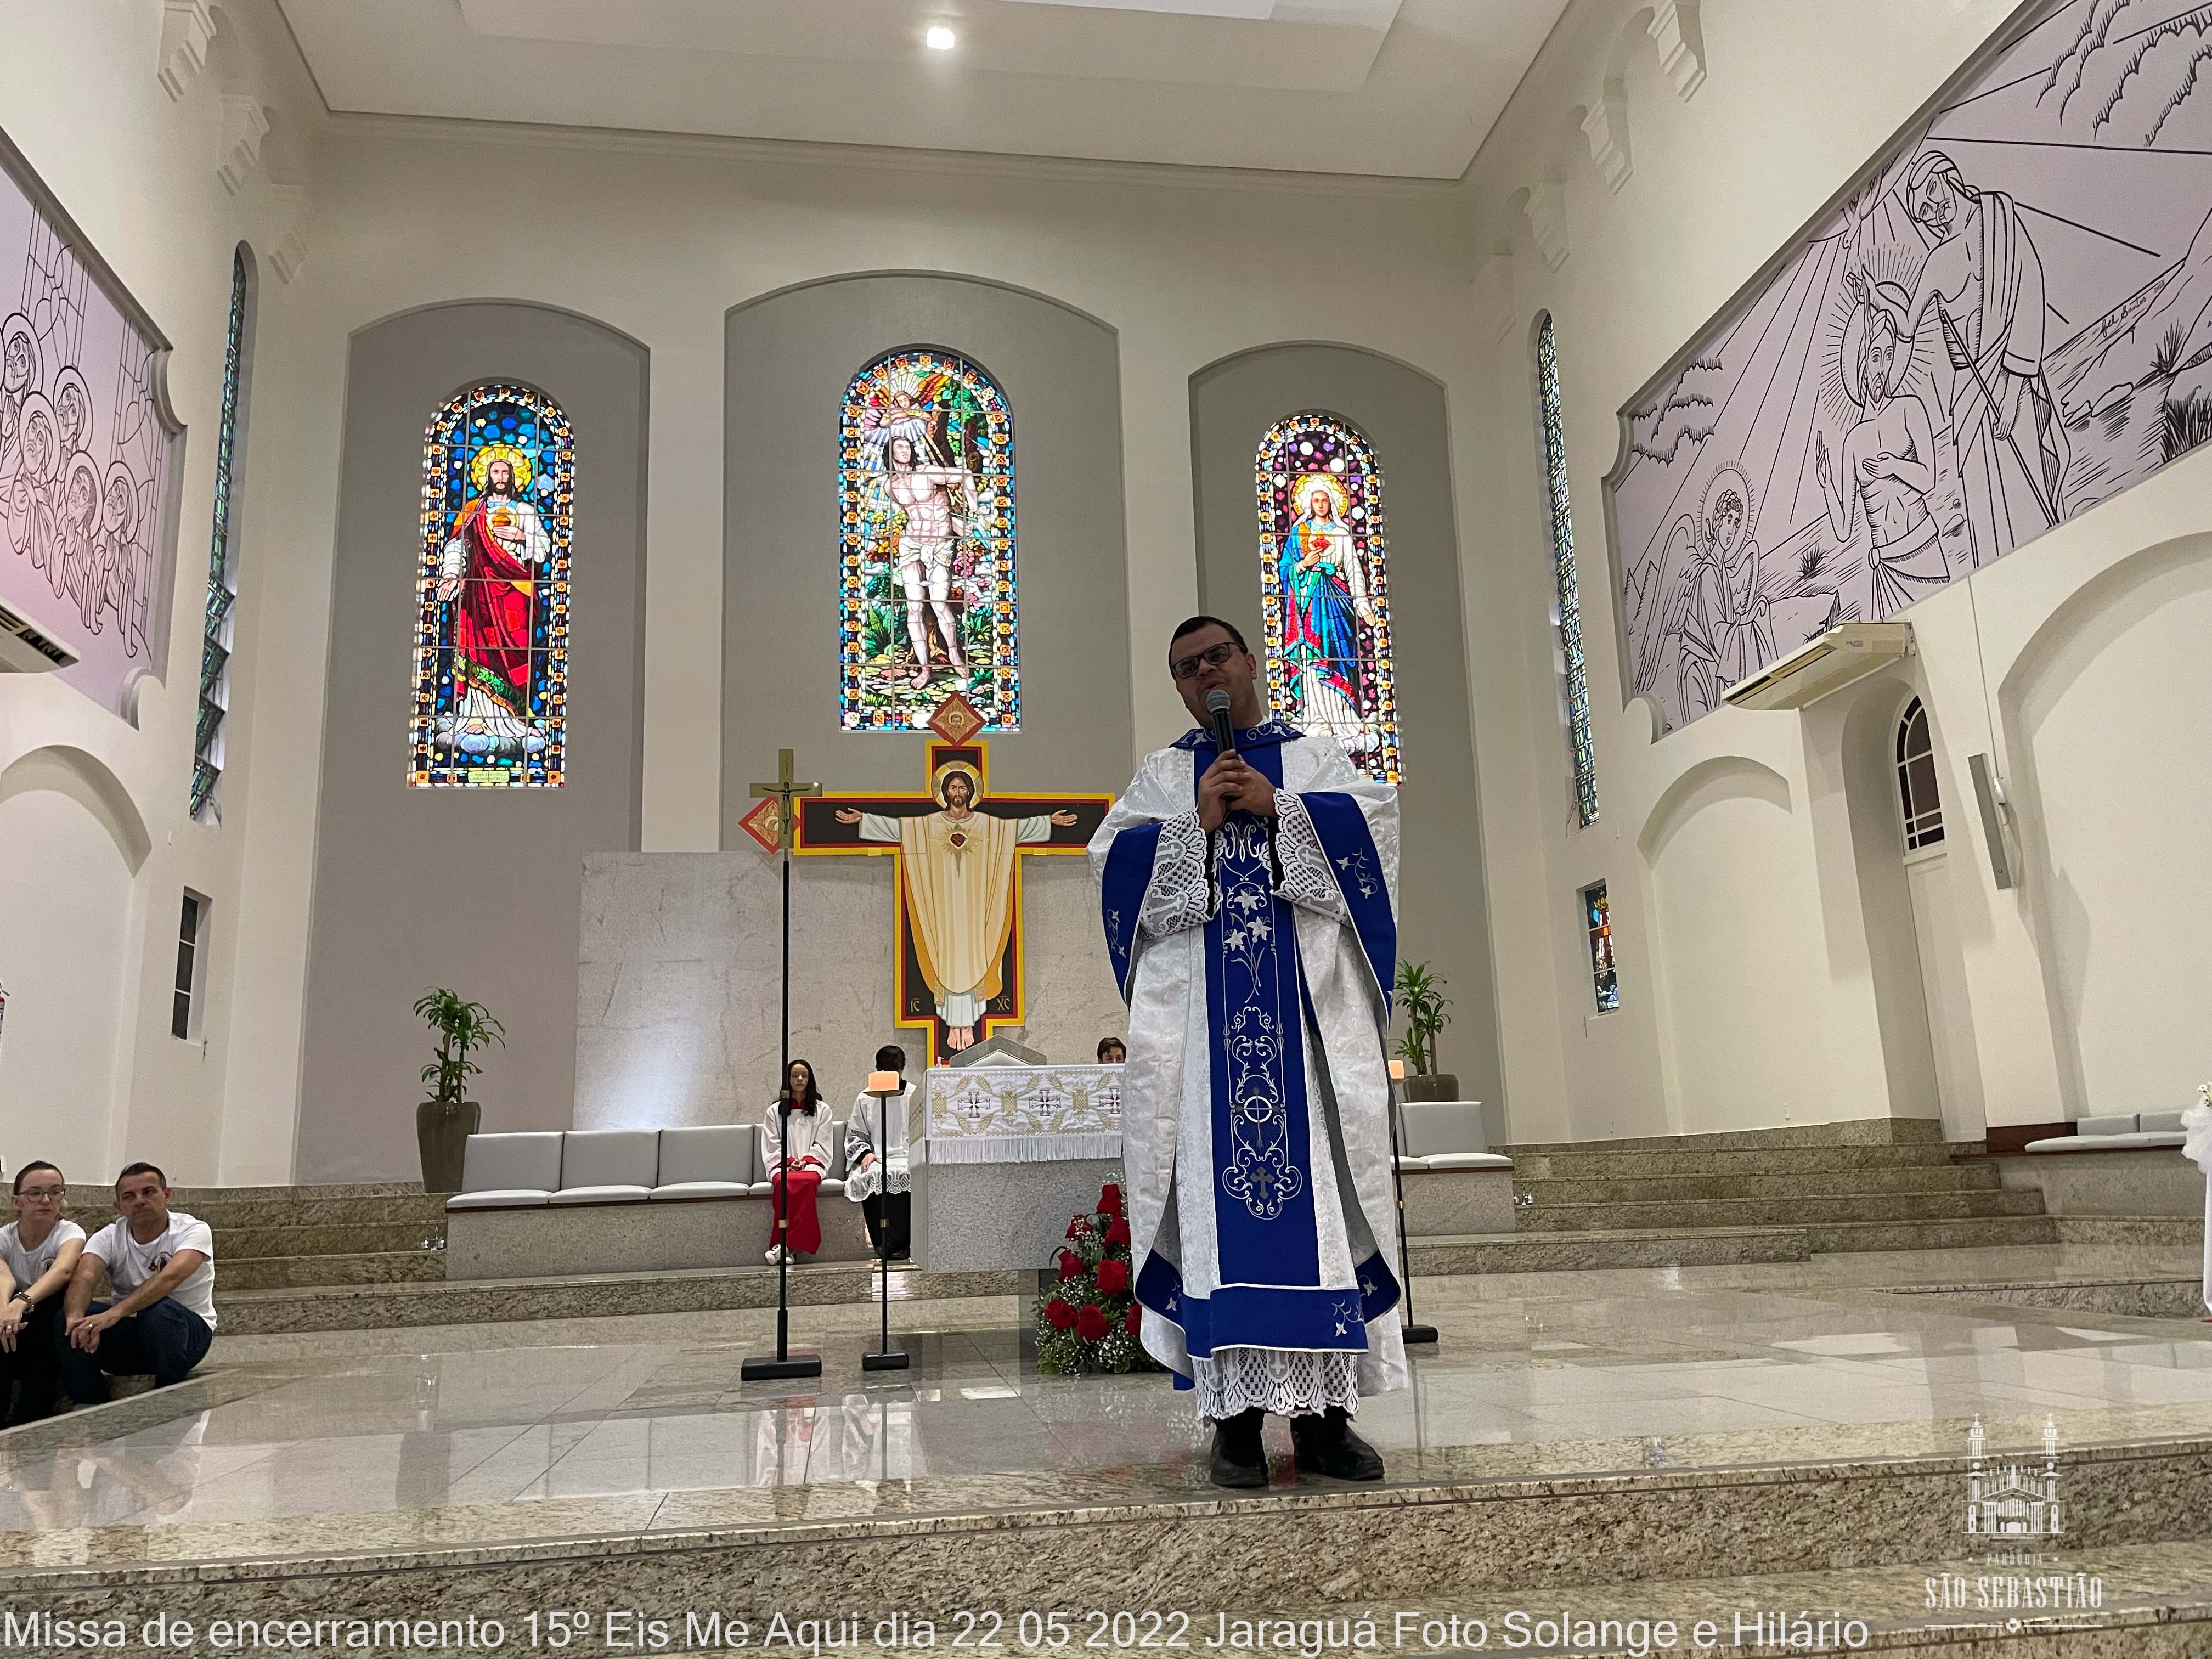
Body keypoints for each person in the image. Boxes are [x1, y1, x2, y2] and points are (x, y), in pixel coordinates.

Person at [1091, 615, 1404, 1489]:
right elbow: (1113, 872)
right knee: (1212, 1226)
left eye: (1217, 657)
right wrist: (1192, 825)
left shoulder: (1312, 761)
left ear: (1250, 663)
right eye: (1187, 667)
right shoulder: (1164, 777)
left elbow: (1375, 838)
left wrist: (1282, 810)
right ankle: (1234, 1426)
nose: (1206, 674)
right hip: (1207, 1057)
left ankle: (1324, 1424)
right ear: (1180, 686)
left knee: (1324, 1220)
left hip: (1301, 1042)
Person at [1858, 153, 2068, 571]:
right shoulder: (1938, 262)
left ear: (1947, 176)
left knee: (2031, 494)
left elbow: (2029, 294)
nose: (1934, 212)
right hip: (1972, 400)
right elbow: (1907, 325)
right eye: (1923, 212)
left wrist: (2012, 390)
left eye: (1933, 194)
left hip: (2013, 384)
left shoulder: (2001, 221)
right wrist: (1879, 299)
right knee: (1989, 511)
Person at [834, 768, 1077, 1051]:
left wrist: (1048, 821)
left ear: (971, 792)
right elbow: (900, 829)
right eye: (953, 788)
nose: (958, 793)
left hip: (976, 906)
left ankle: (968, 1023)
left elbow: (1015, 829)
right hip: (942, 906)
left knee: (975, 953)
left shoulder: (987, 825)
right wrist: (864, 820)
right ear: (945, 792)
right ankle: (954, 1024)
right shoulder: (929, 825)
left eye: (963, 788)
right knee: (946, 955)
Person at [1815, 297, 1947, 619]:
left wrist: (1894, 466)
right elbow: (1843, 528)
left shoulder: (1909, 409)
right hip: (1885, 565)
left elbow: (1929, 480)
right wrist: (1827, 484)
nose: (1883, 367)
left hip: (1925, 548)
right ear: (1861, 364)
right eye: (1876, 357)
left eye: (1889, 355)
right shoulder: (1853, 442)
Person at [57, 1163, 217, 1402]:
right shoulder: (109, 1237)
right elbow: (84, 1278)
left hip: (186, 1335)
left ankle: (170, 1401)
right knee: (68, 1317)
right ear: (119, 1207)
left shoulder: (193, 1230)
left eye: (148, 1192)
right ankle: (89, 1405)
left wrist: (115, 1313)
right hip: (132, 1336)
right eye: (129, 1196)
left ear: (166, 1195)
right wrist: (76, 1321)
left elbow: (170, 1277)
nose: (140, 1201)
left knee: (160, 1311)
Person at [432, 448, 552, 761]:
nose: (501, 477)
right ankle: (475, 715)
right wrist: (451, 575)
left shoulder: (525, 510)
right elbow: (457, 545)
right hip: (477, 592)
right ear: (487, 476)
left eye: (506, 472)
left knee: (515, 651)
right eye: (496, 472)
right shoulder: (473, 510)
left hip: (514, 594)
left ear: (514, 477)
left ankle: (514, 719)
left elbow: (543, 548)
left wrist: (520, 535)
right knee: (475, 647)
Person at [2, 1160, 84, 1426]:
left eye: (55, 1192)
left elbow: (62, 1272)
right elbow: (3, 1277)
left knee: (46, 1310)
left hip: (48, 1323)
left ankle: (31, 1415)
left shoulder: (70, 1232)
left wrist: (21, 1303)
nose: (46, 1200)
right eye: (35, 1193)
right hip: (17, 1326)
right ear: (17, 1201)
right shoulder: (5, 1237)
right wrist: (5, 1311)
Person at [844, 1044, 915, 1262]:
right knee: (872, 1174)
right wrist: (865, 1153)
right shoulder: (865, 1097)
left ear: (902, 1068)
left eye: (894, 1068)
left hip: (908, 1156)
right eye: (885, 1068)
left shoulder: (915, 1095)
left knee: (909, 1173)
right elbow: (856, 1134)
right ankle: (882, 1242)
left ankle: (904, 1243)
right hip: (876, 1157)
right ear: (877, 1069)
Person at [763, 1059, 836, 1265]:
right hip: (783, 1163)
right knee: (782, 1182)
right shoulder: (774, 1111)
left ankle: (783, 1246)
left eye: (804, 1075)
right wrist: (789, 1161)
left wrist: (805, 1160)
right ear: (788, 1080)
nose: (800, 1079)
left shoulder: (823, 1110)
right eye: (795, 1076)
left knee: (807, 1181)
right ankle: (790, 1248)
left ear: (810, 1079)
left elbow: (823, 1142)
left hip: (812, 1163)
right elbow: (772, 1143)